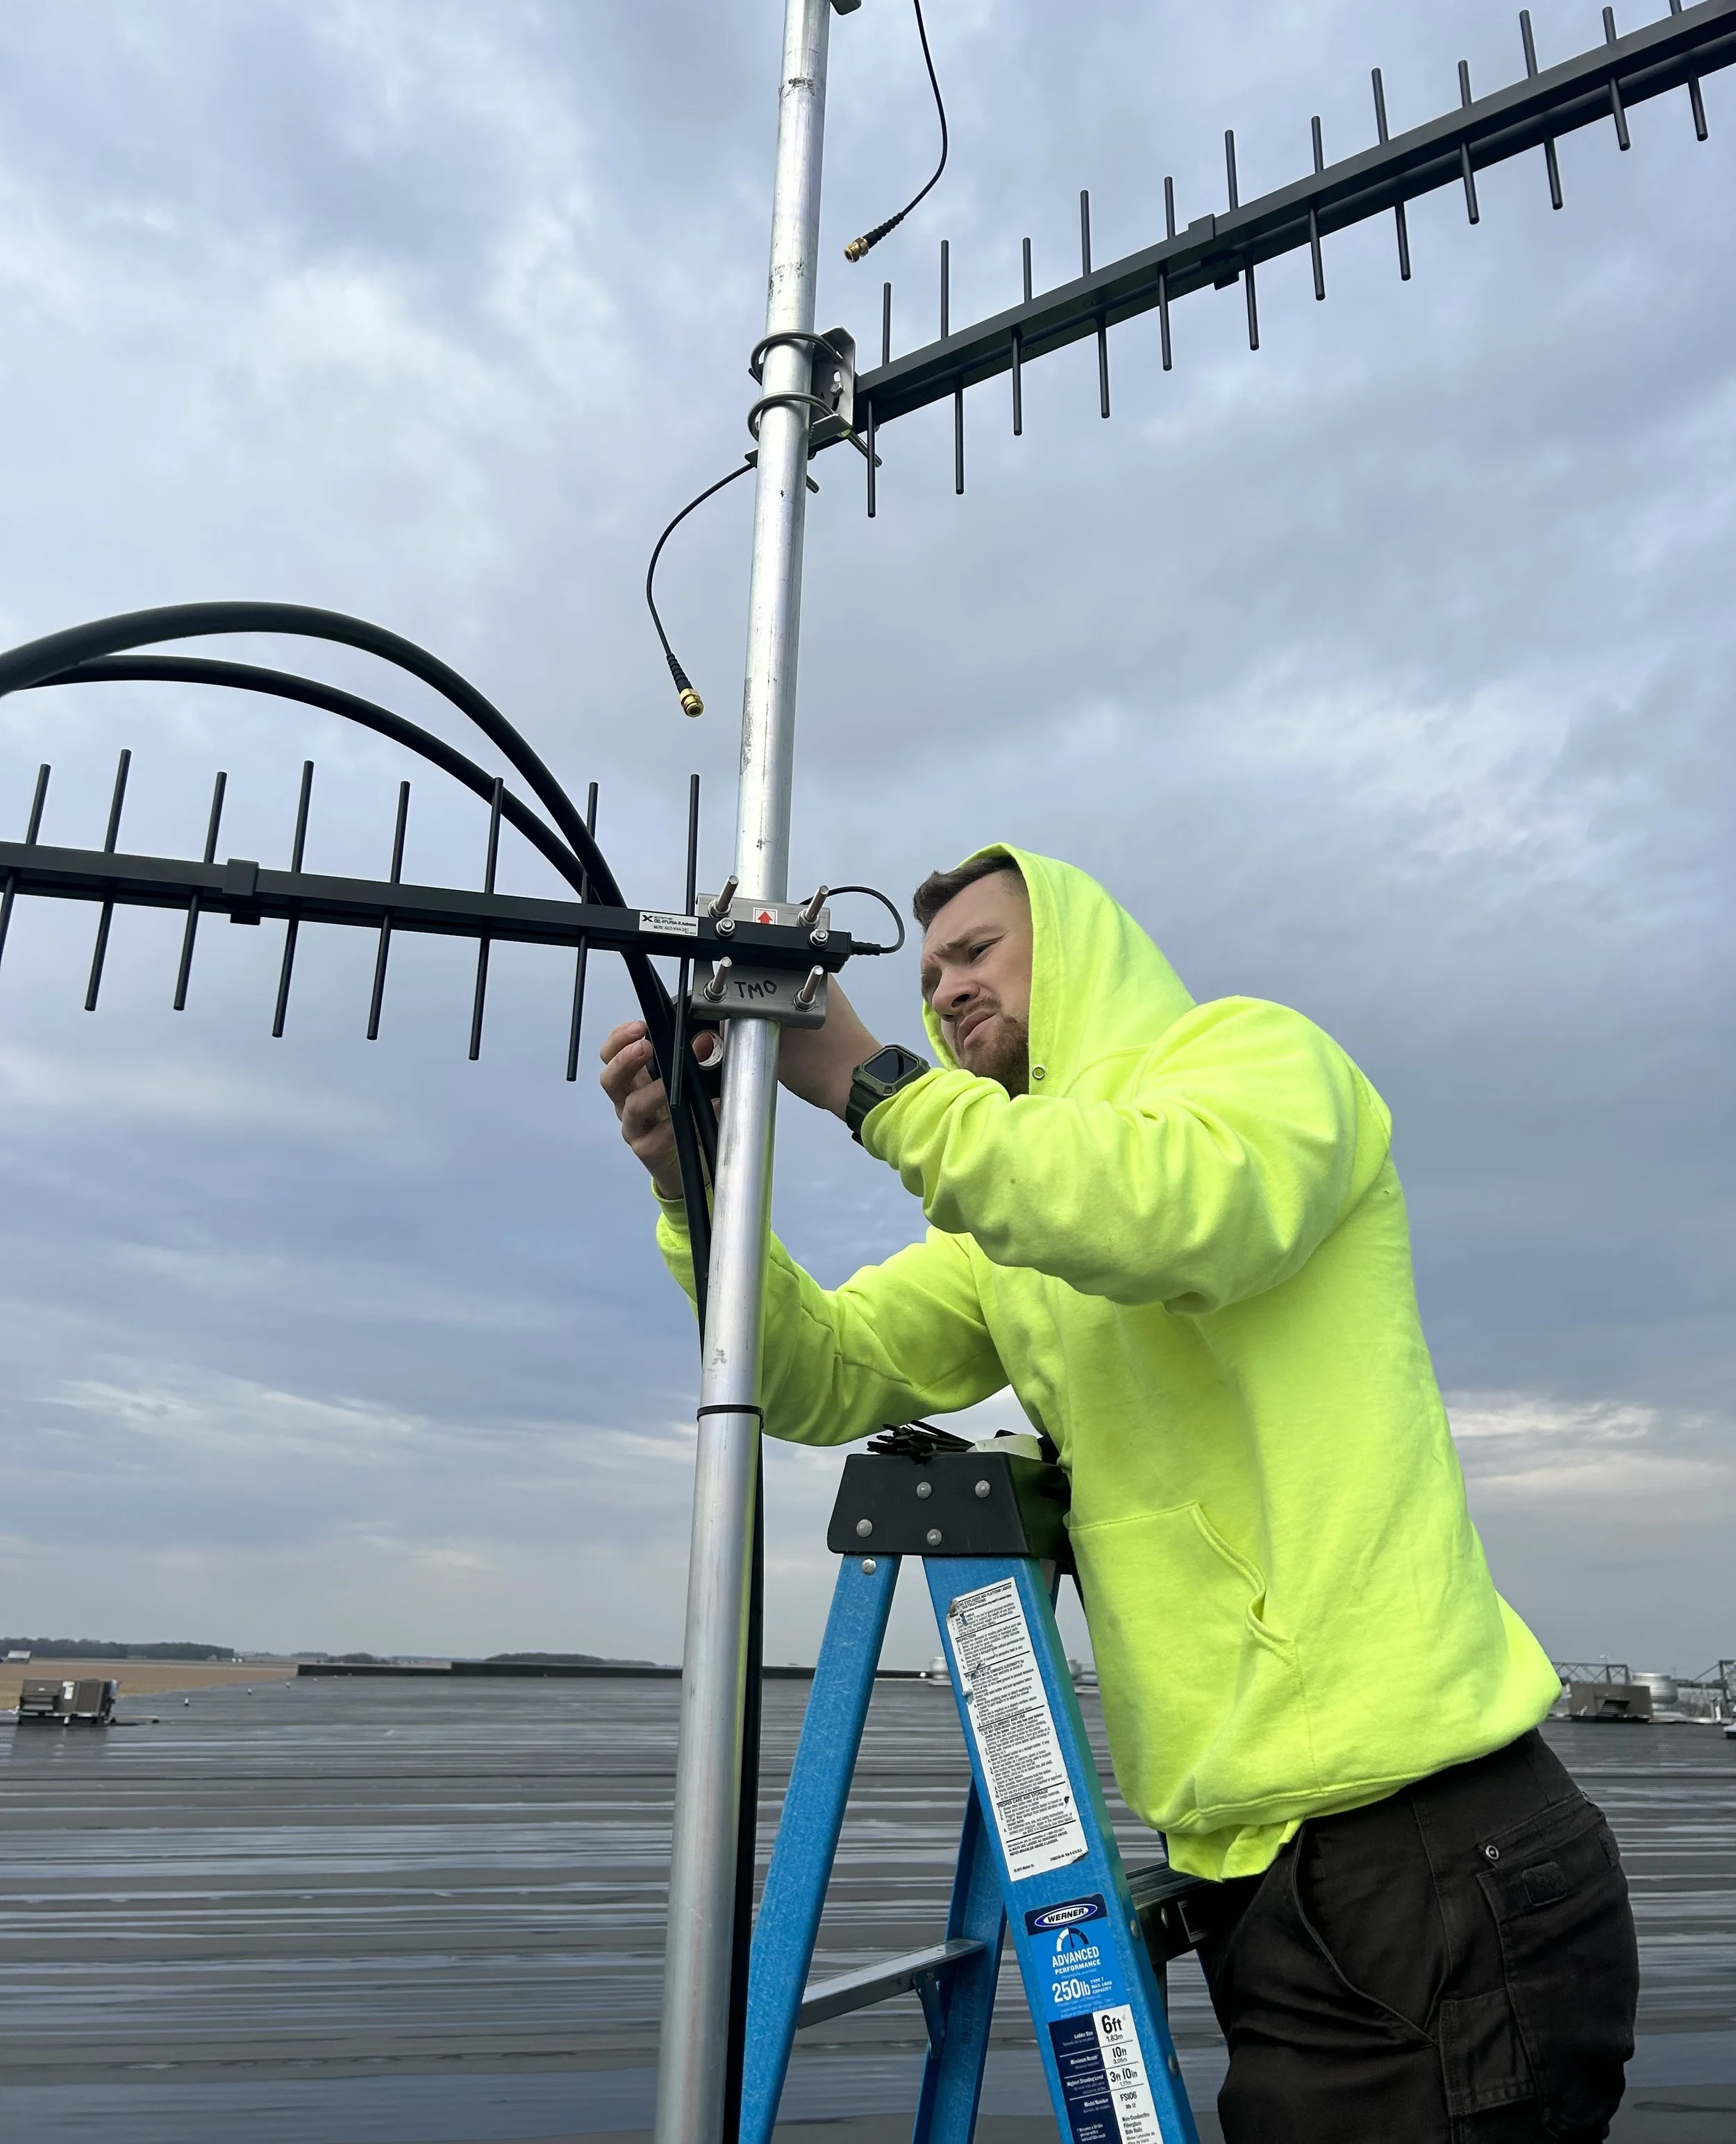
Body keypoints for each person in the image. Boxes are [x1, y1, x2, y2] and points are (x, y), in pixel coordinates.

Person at [599, 846, 1638, 2143]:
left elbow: (1167, 1213)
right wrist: (693, 1186)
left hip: (1423, 1846)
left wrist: (867, 1078)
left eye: (977, 952)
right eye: (925, 979)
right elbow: (819, 1373)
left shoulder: (1255, 1064)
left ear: (1080, 950)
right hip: (1268, 1875)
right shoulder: (1005, 1231)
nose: (945, 990)